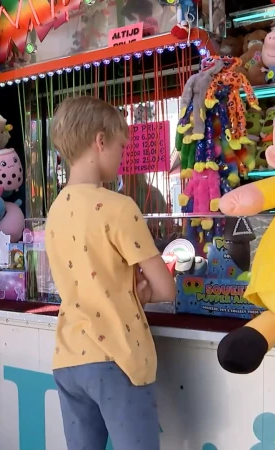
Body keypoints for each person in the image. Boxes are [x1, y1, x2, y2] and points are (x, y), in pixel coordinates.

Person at [45, 96, 177, 450]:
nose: (123, 154)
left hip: (69, 356)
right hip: (118, 355)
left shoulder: (54, 211)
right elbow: (166, 288)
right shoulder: (119, 208)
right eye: (121, 145)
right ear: (100, 141)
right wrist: (146, 290)